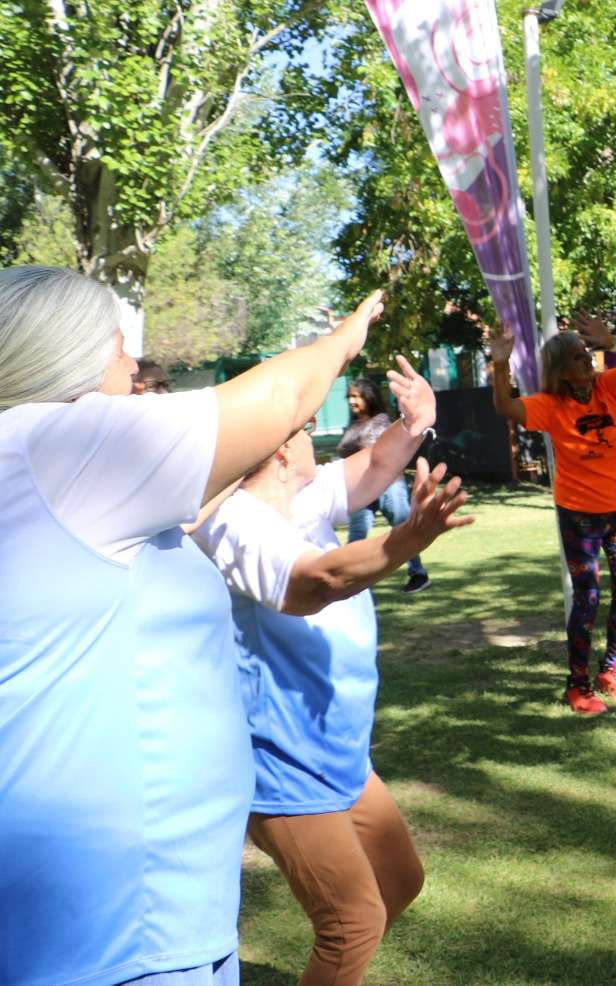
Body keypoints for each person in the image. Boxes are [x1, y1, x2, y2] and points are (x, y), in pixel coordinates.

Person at [0, 264, 387, 986]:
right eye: (117, 344)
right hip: (112, 917)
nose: (131, 362)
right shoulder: (62, 447)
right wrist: (344, 337)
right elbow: (279, 395)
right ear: (64, 353)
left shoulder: (43, 467)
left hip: (147, 911)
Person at [193, 356, 471, 985]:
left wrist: (416, 422)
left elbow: (375, 465)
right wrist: (405, 542)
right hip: (281, 761)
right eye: (297, 428)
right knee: (352, 923)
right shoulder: (237, 526)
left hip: (338, 750)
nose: (312, 427)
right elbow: (317, 581)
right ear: (277, 452)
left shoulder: (301, 495)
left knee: (399, 882)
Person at [490, 313, 616, 714]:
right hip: (580, 515)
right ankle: (577, 685)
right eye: (580, 358)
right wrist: (499, 363)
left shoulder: (608, 388)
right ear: (562, 371)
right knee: (588, 598)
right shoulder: (550, 405)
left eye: (587, 355)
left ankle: (612, 671)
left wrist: (612, 343)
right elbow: (505, 406)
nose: (588, 363)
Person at [340, 376, 432, 594]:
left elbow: (375, 452)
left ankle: (418, 574)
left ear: (368, 397)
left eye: (356, 396)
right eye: (349, 397)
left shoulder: (380, 421)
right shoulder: (353, 424)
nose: (352, 401)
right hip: (362, 488)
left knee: (402, 529)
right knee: (356, 536)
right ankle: (351, 582)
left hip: (390, 486)